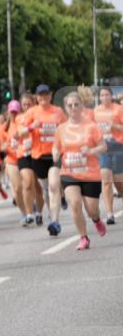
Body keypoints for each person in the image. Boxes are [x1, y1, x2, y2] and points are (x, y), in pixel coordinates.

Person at [54, 92, 108, 249]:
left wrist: (90, 151)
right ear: (65, 108)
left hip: (90, 174)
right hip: (69, 173)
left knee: (92, 209)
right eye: (70, 105)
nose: (73, 108)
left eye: (76, 104)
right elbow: (56, 147)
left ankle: (96, 220)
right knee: (75, 203)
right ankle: (83, 237)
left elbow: (104, 146)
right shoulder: (61, 129)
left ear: (81, 106)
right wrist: (55, 153)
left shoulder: (91, 126)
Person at [18, 84, 66, 231]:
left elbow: (65, 130)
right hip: (38, 155)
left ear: (50, 96)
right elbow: (20, 132)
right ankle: (52, 212)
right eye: (40, 95)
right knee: (45, 189)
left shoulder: (58, 112)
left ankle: (54, 220)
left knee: (53, 185)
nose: (43, 98)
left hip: (55, 154)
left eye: (46, 95)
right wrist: (32, 127)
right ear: (36, 97)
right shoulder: (31, 112)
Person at [94, 86, 123, 224]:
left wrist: (115, 126)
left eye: (107, 95)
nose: (104, 97)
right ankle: (110, 214)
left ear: (111, 96)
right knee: (106, 180)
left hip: (118, 146)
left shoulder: (119, 109)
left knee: (119, 181)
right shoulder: (96, 112)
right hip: (103, 148)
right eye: (102, 95)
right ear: (99, 97)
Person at [3, 101, 31, 225]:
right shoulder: (4, 127)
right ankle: (24, 213)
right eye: (12, 111)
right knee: (17, 188)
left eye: (16, 111)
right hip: (11, 160)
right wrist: (5, 146)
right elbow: (0, 145)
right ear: (8, 112)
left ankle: (30, 208)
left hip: (24, 156)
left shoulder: (23, 123)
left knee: (28, 185)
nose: (14, 114)